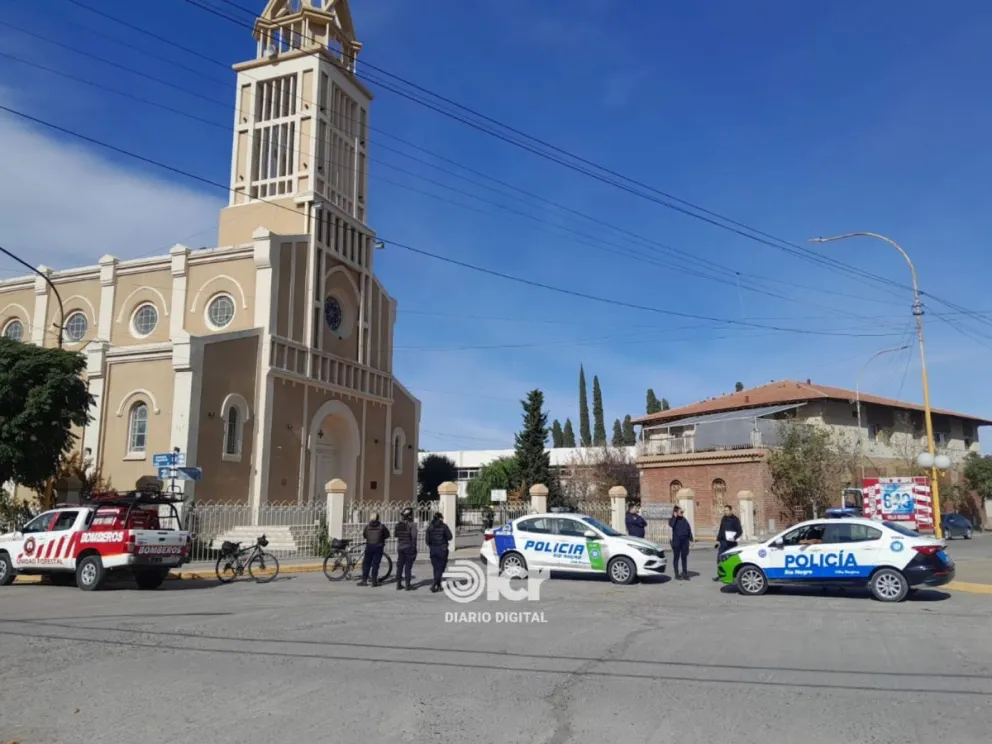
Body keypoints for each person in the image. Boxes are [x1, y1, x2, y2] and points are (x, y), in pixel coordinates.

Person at [425, 512, 453, 593]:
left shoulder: (429, 527)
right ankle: (434, 584)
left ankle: (439, 585)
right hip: (442, 550)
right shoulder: (444, 526)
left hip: (433, 550)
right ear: (440, 518)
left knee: (436, 568)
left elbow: (427, 541)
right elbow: (450, 537)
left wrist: (432, 546)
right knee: (440, 568)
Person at [359, 512, 389, 587]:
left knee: (366, 564)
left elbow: (364, 535)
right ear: (378, 518)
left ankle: (364, 580)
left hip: (369, 546)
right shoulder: (382, 526)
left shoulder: (367, 526)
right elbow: (387, 535)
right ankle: (374, 581)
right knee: (375, 565)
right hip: (378, 547)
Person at [714, 505, 743, 581]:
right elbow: (721, 529)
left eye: (726, 510)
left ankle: (731, 576)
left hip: (731, 544)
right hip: (723, 542)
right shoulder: (723, 518)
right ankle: (720, 575)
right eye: (724, 511)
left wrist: (734, 537)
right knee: (719, 558)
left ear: (731, 510)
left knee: (730, 560)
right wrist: (717, 540)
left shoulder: (735, 520)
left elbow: (740, 531)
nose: (725, 512)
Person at [394, 507, 418, 591]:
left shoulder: (398, 524)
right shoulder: (412, 525)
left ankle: (398, 584)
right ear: (410, 515)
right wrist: (414, 548)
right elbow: (414, 537)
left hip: (400, 547)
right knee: (408, 566)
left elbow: (396, 535)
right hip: (409, 547)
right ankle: (407, 585)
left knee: (399, 566)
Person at [668, 505, 694, 581]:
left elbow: (688, 529)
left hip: (685, 541)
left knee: (684, 557)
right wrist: (675, 517)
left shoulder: (684, 519)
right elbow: (671, 525)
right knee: (676, 558)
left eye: (682, 512)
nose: (682, 513)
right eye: (681, 512)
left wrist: (691, 540)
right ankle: (676, 574)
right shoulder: (672, 520)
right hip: (676, 541)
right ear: (675, 512)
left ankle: (685, 573)